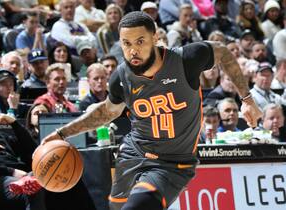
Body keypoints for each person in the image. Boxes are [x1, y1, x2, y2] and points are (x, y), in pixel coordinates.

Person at [42, 12, 262, 210]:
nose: (132, 50)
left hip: (172, 163)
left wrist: (248, 99)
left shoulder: (186, 59)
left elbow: (222, 52)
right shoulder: (121, 76)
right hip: (133, 154)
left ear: (155, 38)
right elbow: (108, 111)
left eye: (140, 41)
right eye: (126, 44)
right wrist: (63, 133)